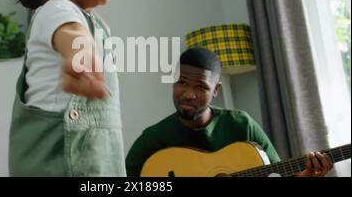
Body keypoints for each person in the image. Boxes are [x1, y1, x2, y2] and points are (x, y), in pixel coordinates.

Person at [1, 0, 125, 176]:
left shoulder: (92, 21)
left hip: (98, 157)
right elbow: (70, 33)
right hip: (59, 159)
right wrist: (82, 53)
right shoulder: (57, 9)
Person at [126, 47, 333, 177]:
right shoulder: (154, 138)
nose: (188, 94)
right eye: (182, 82)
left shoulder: (241, 125)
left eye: (201, 87)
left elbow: (277, 173)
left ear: (216, 90)